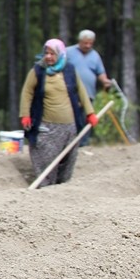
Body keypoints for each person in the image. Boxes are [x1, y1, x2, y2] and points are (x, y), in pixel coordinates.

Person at [19, 38, 97, 187]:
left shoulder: (69, 69)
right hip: (47, 127)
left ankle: (62, 187)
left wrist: (90, 113)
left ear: (60, 54)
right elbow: (27, 92)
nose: (48, 56)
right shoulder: (38, 71)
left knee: (68, 159)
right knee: (45, 157)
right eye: (46, 53)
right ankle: (45, 186)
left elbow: (81, 91)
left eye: (52, 53)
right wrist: (25, 115)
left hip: (69, 126)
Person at [67, 29, 112, 148]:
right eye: (85, 43)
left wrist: (105, 81)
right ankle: (70, 144)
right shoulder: (68, 52)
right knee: (73, 119)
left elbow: (100, 72)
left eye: (90, 43)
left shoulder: (95, 55)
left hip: (89, 94)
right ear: (80, 41)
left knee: (86, 119)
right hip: (71, 93)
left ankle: (84, 144)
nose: (88, 45)